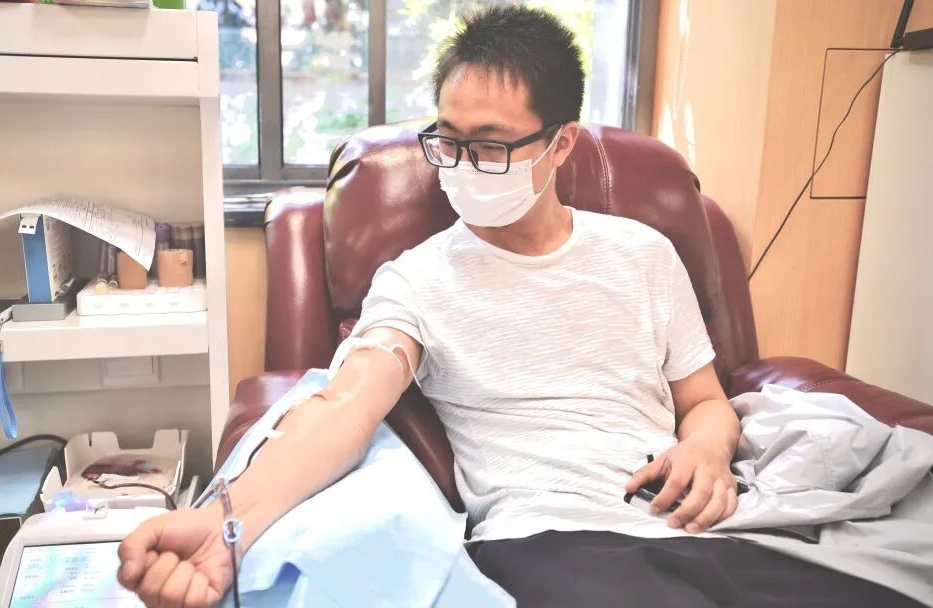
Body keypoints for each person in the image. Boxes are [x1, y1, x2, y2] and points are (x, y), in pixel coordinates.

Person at [117, 6, 922, 607]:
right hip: (553, 545)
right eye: (449, 139)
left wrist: (708, 451)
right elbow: (342, 408)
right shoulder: (415, 279)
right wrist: (228, 523)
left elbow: (706, 401)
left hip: (698, 528)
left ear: (561, 143)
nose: (462, 165)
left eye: (492, 145)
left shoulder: (644, 254)